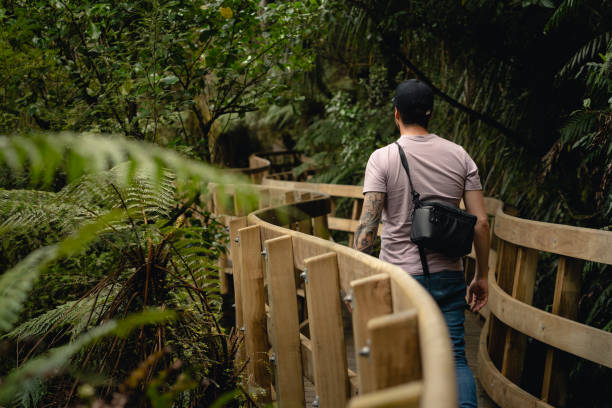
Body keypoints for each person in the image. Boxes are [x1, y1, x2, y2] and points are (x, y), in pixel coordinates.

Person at [354, 79, 490, 408]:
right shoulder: (460, 156)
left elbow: (368, 228)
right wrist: (481, 275)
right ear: (431, 113)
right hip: (448, 276)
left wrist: (357, 282)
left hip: (399, 279)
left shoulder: (382, 158)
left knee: (400, 362)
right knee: (456, 360)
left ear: (396, 114)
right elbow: (481, 222)